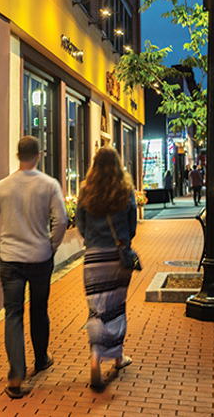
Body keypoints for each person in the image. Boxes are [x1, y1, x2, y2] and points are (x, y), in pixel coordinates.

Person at [0, 136, 68, 399]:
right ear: (38, 155)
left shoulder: (1, 187)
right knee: (39, 311)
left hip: (10, 260)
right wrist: (50, 245)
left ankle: (16, 375)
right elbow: (61, 220)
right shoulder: (49, 185)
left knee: (13, 315)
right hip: (40, 258)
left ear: (17, 155)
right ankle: (41, 358)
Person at [75, 146, 138, 390]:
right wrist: (123, 240)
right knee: (116, 307)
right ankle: (118, 356)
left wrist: (92, 241)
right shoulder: (125, 190)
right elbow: (132, 226)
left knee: (97, 310)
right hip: (117, 256)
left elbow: (80, 224)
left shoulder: (85, 189)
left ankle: (95, 355)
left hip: (93, 258)